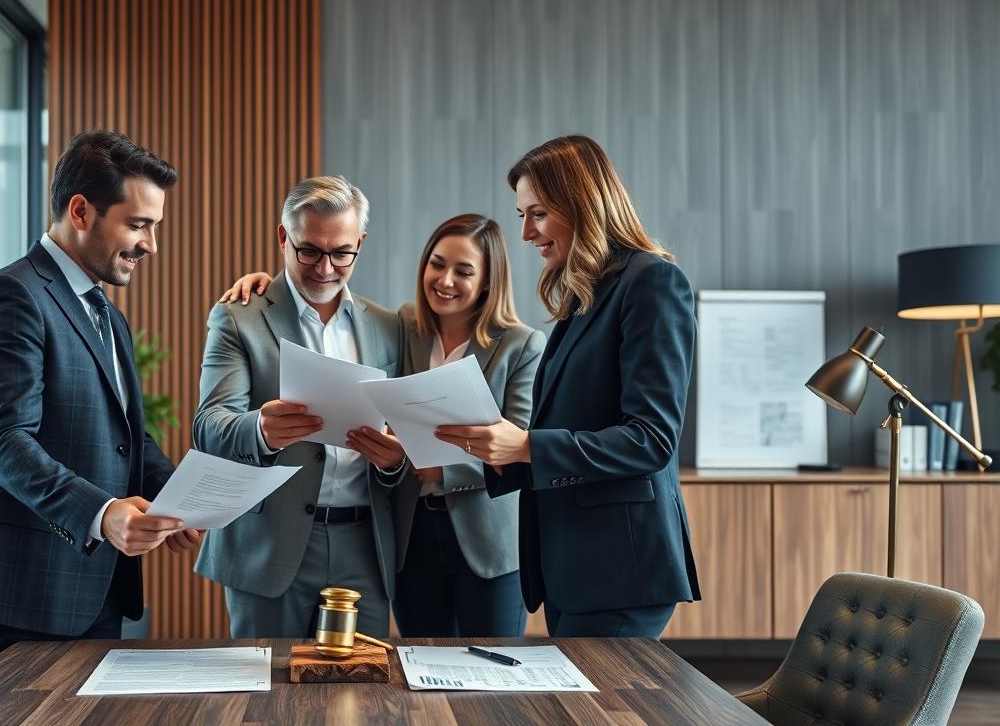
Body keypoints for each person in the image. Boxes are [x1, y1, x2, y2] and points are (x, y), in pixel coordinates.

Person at [0, 130, 203, 670]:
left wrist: (182, 495)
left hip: (96, 585)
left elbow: (127, 437)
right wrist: (103, 514)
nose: (150, 245)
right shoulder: (12, 295)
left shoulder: (105, 311)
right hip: (24, 589)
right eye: (138, 224)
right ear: (80, 210)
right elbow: (3, 441)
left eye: (155, 226)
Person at [221, 214, 544, 637]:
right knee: (417, 663)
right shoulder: (404, 327)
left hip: (487, 539)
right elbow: (319, 297)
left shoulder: (520, 345)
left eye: (463, 271)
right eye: (437, 264)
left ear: (488, 281)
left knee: (491, 671)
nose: (445, 280)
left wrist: (440, 472)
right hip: (411, 538)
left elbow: (518, 447)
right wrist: (268, 283)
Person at [435, 135, 701, 638]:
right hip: (576, 569)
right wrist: (496, 449)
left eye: (537, 213)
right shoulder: (586, 297)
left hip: (620, 571)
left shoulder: (653, 282)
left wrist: (528, 445)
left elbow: (652, 440)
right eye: (522, 215)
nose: (526, 232)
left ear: (580, 201)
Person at [192, 175, 404, 639]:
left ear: (360, 244)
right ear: (282, 237)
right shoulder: (238, 316)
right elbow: (208, 426)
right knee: (265, 695)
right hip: (270, 542)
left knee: (363, 698)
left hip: (365, 546)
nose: (325, 268)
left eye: (341, 252)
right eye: (309, 250)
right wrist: (261, 430)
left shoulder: (390, 327)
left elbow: (405, 428)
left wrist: (392, 463)